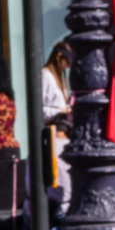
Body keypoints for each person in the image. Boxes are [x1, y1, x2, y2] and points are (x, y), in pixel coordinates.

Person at [41, 42, 74, 214]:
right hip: (53, 133)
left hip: (63, 134)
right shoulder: (46, 76)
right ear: (58, 57)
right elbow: (40, 109)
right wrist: (61, 110)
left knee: (66, 180)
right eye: (66, 61)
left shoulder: (61, 79)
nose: (67, 66)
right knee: (60, 181)